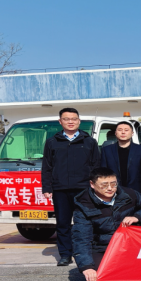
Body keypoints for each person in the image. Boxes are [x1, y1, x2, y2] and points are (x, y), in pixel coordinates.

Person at [72, 167, 141, 281]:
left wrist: (137, 217)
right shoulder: (84, 204)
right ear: (92, 184)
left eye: (113, 184)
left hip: (128, 245)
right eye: (104, 185)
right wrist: (87, 267)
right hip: (102, 247)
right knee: (100, 280)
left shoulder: (128, 194)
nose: (110, 188)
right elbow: (81, 238)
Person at [41, 107, 101, 267]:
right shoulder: (52, 142)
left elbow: (96, 166)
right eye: (66, 119)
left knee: (86, 222)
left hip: (84, 189)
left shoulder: (89, 142)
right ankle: (65, 254)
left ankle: (88, 252)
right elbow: (47, 167)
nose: (70, 122)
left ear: (79, 121)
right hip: (60, 189)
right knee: (63, 223)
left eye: (74, 119)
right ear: (60, 121)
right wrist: (47, 188)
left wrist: (96, 187)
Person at [99, 121, 141, 197]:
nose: (123, 132)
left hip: (136, 190)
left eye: (126, 130)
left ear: (132, 133)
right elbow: (103, 172)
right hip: (113, 191)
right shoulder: (106, 150)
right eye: (120, 130)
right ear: (115, 133)